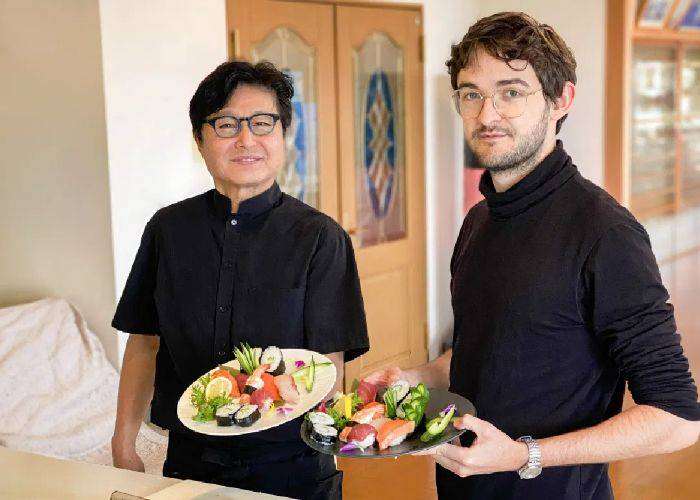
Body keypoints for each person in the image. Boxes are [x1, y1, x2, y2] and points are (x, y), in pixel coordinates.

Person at [367, 12, 699, 499]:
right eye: (471, 93)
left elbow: (677, 417)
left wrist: (526, 455)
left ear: (560, 99)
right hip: (461, 487)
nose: (487, 114)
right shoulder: (478, 222)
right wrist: (414, 376)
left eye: (511, 92)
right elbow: (496, 350)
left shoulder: (605, 233)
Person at [110, 60, 369, 500]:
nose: (247, 139)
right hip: (189, 461)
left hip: (290, 464)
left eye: (263, 123)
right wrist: (123, 439)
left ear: (283, 134)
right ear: (200, 139)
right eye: (227, 125)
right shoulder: (167, 230)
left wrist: (330, 442)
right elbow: (144, 342)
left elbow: (329, 364)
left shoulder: (320, 238)